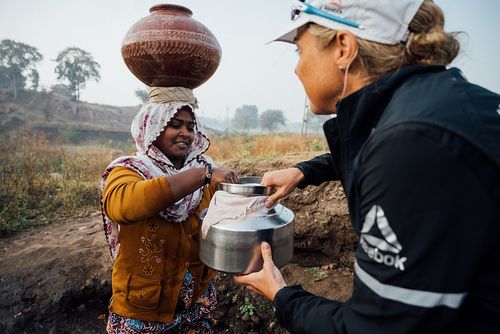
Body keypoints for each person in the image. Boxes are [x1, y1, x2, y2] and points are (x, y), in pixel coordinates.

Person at [235, 0, 500, 333]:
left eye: (299, 52)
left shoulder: (411, 143)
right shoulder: (438, 107)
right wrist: (304, 171)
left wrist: (281, 294)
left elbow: (376, 327)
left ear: (344, 48)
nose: (297, 69)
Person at [100, 87, 238, 333]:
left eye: (190, 126)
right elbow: (122, 206)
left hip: (197, 302)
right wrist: (200, 176)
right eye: (175, 125)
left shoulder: (205, 170)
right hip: (144, 308)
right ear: (153, 127)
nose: (184, 133)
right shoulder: (130, 170)